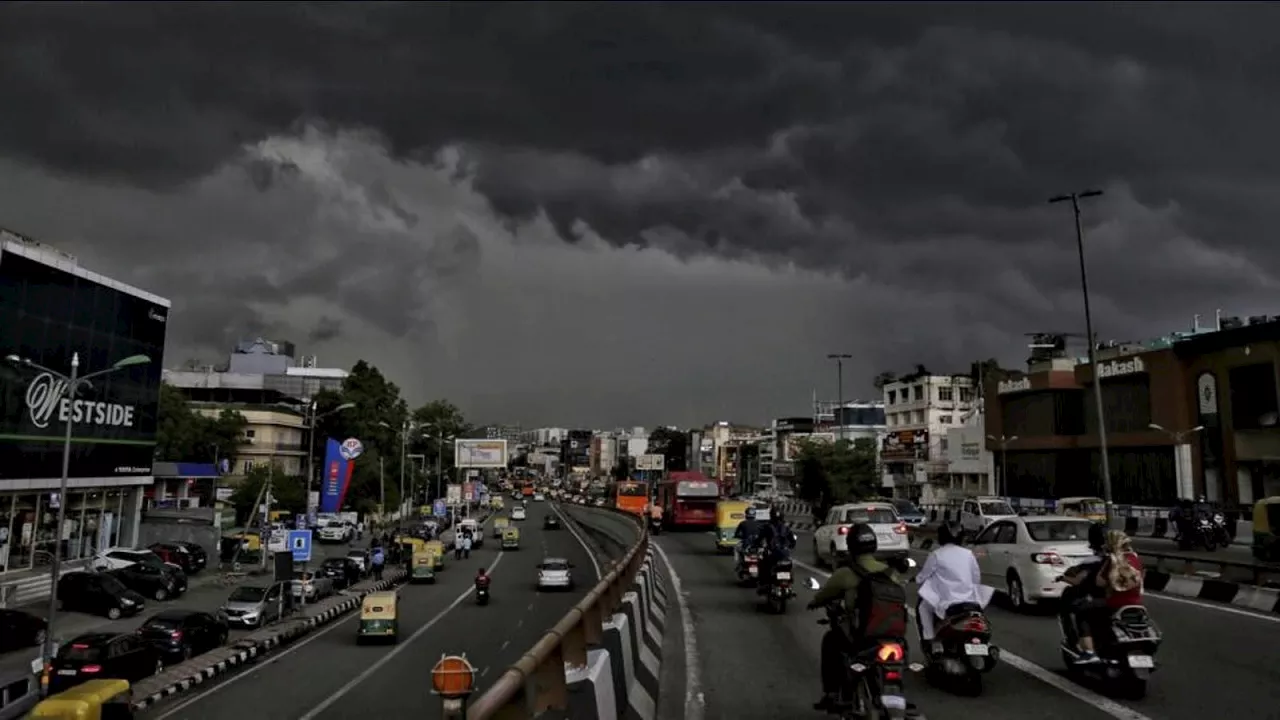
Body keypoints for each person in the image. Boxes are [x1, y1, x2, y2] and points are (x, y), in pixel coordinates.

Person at [807, 523, 909, 712]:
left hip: (862, 635)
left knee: (830, 641)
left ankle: (830, 693)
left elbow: (822, 596)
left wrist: (813, 603)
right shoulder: (889, 573)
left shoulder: (846, 573)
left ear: (851, 546)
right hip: (893, 635)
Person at [915, 522, 989, 655]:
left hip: (947, 601)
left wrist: (916, 579)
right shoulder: (968, 554)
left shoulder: (936, 554)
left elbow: (923, 577)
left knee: (923, 607)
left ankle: (930, 640)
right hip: (970, 601)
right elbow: (976, 578)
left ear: (941, 536)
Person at [1059, 522, 1109, 662]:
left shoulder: (1095, 562)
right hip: (1126, 600)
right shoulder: (1126, 559)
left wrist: (1062, 578)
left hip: (1104, 599)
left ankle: (1089, 651)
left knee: (1081, 611)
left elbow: (1078, 580)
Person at [733, 507, 766, 573]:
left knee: (736, 548)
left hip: (746, 544)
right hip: (758, 545)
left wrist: (742, 537)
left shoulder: (742, 523)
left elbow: (736, 534)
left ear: (746, 515)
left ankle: (738, 564)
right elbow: (764, 535)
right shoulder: (760, 524)